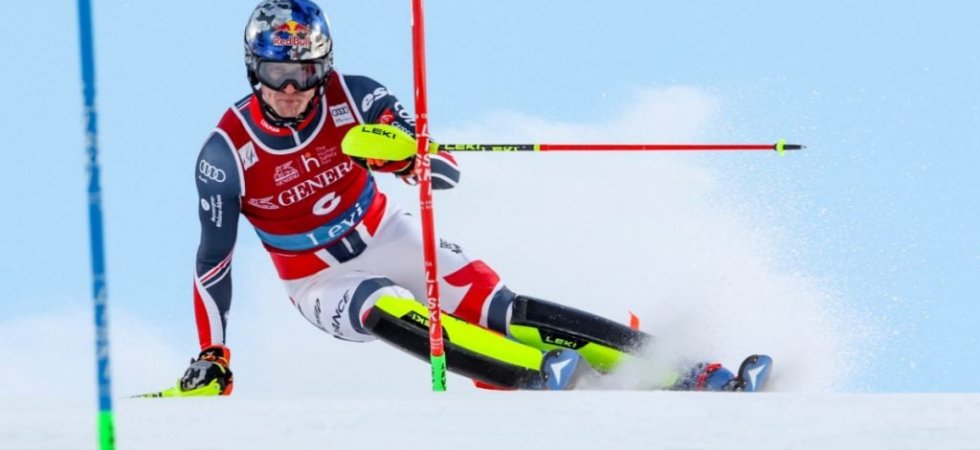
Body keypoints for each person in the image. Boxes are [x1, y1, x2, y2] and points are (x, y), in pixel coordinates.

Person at [169, 0, 770, 396]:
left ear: (326, 66)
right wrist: (213, 352)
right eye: (278, 74)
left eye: (306, 71)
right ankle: (532, 377)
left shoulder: (357, 98)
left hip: (385, 232)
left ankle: (686, 371)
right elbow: (212, 263)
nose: (293, 89)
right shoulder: (226, 154)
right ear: (255, 71)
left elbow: (445, 173)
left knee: (500, 307)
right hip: (316, 279)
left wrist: (407, 156)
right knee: (384, 302)